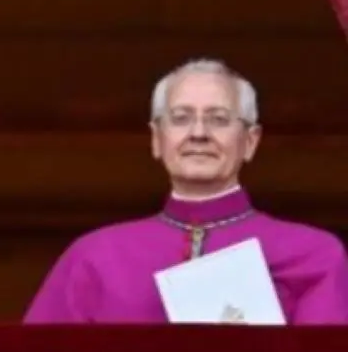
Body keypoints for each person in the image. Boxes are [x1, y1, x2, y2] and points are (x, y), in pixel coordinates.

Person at [24, 59, 348, 324]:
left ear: (250, 141)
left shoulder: (313, 255)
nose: (198, 133)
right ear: (156, 138)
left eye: (218, 119)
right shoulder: (93, 258)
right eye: (180, 118)